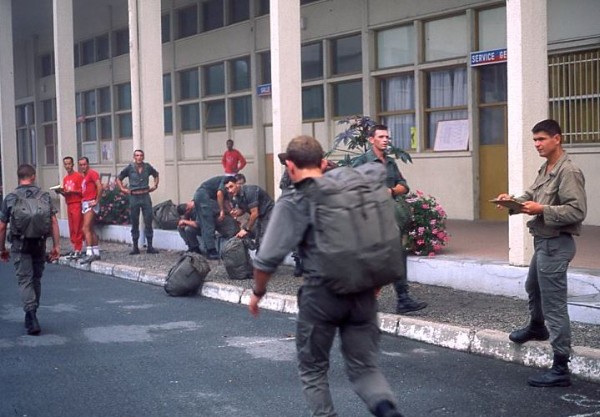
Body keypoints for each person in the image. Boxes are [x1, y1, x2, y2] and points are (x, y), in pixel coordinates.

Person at [249, 135, 404, 417]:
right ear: (322, 163)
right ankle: (388, 411)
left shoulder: (294, 200)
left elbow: (266, 260)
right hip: (363, 294)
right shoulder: (352, 193)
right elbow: (377, 236)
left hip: (321, 296)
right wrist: (374, 280)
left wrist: (258, 293)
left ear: (291, 167)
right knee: (365, 369)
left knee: (313, 369)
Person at [495, 119, 586, 388]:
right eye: (534, 140)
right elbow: (532, 195)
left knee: (554, 305)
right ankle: (537, 327)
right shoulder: (547, 168)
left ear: (557, 139)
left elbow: (577, 211)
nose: (537, 144)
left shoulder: (568, 171)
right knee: (532, 287)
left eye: (541, 139)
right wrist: (512, 200)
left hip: (557, 243)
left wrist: (542, 210)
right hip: (544, 243)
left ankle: (560, 367)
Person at [352, 124, 427, 314]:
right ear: (371, 140)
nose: (386, 140)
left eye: (387, 137)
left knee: (397, 256)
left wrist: (391, 190)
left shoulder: (390, 163)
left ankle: (403, 299)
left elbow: (404, 185)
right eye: (381, 137)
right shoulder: (362, 162)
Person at [0, 164, 61, 335]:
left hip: (20, 245)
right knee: (36, 279)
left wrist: (2, 248)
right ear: (33, 176)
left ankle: (31, 315)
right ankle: (33, 313)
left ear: (19, 177)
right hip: (39, 244)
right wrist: (56, 246)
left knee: (25, 279)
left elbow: (2, 226)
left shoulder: (11, 197)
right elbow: (54, 222)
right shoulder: (44, 196)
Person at [116, 149, 160, 255]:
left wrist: (155, 185)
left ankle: (150, 246)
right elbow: (119, 178)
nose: (139, 157)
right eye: (137, 155)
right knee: (134, 221)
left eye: (141, 155)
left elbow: (156, 174)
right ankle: (135, 247)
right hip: (134, 197)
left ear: (143, 157)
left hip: (145, 196)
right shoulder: (130, 168)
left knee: (148, 220)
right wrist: (122, 189)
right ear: (134, 157)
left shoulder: (147, 167)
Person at [193, 176, 239, 260]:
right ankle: (211, 251)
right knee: (208, 223)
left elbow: (225, 202)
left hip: (201, 196)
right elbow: (219, 194)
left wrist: (233, 214)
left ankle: (209, 249)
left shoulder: (226, 187)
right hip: (203, 196)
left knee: (204, 223)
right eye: (240, 183)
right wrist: (222, 211)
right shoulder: (225, 180)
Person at [224, 177, 274, 248]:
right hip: (260, 216)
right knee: (258, 238)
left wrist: (246, 229)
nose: (230, 190)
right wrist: (238, 212)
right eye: (227, 188)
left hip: (269, 213)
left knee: (264, 239)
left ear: (237, 184)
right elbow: (244, 209)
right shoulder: (236, 196)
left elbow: (254, 213)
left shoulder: (250, 191)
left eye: (231, 186)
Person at [55, 156, 84, 259]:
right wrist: (61, 192)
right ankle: (74, 247)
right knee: (71, 227)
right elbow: (67, 193)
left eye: (69, 164)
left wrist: (73, 191)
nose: (67, 166)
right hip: (69, 203)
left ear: (73, 164)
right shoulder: (66, 178)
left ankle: (78, 248)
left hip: (77, 203)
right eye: (65, 164)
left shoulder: (78, 176)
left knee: (77, 227)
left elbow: (82, 192)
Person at [78, 156, 103, 264]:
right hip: (85, 202)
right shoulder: (84, 176)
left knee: (85, 228)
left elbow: (100, 187)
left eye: (84, 164)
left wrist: (97, 200)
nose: (83, 166)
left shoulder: (92, 173)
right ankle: (96, 252)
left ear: (88, 164)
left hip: (90, 202)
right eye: (81, 165)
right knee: (91, 229)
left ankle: (89, 253)